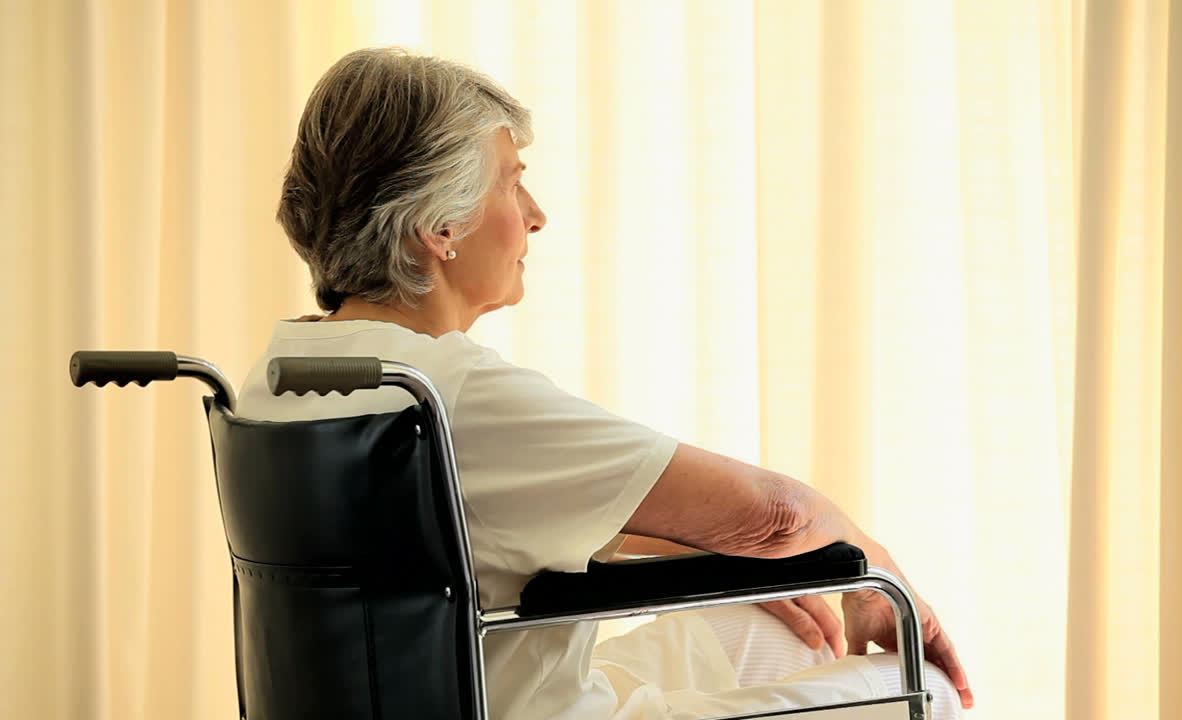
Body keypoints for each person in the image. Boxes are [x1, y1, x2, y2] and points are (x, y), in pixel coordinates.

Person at [237, 48, 972, 720]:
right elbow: (777, 513)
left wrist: (760, 567)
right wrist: (872, 568)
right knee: (924, 685)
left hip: (464, 689)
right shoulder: (450, 393)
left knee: (770, 627)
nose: (535, 216)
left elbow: (510, 531)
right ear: (441, 224)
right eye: (512, 184)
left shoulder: (287, 372)